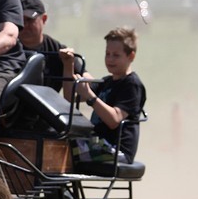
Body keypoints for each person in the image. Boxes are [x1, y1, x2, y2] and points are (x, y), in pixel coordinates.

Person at [60, 26, 146, 164]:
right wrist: (68, 64)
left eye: (116, 55)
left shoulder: (132, 85)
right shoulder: (106, 82)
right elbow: (69, 98)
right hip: (97, 144)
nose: (110, 59)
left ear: (131, 56)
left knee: (58, 150)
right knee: (54, 141)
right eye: (107, 54)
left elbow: (114, 120)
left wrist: (89, 95)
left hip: (117, 151)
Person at [18, 0, 81, 92]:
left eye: (30, 20)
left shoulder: (57, 50)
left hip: (46, 105)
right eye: (21, 20)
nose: (25, 25)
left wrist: (70, 63)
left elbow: (86, 78)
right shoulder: (8, 48)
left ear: (44, 19)